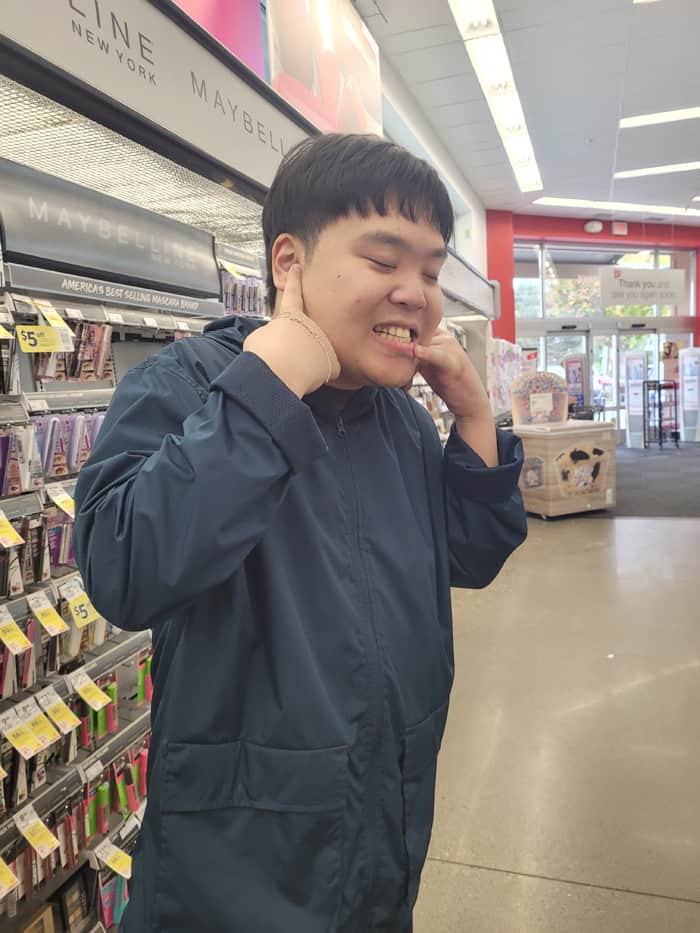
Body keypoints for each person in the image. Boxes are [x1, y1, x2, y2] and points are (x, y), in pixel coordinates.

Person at [74, 133, 527, 933]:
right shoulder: (184, 387)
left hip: (385, 832)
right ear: (289, 263)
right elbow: (123, 568)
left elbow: (470, 553)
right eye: (384, 261)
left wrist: (475, 414)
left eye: (430, 269)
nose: (416, 292)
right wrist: (269, 383)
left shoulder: (399, 421)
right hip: (236, 869)